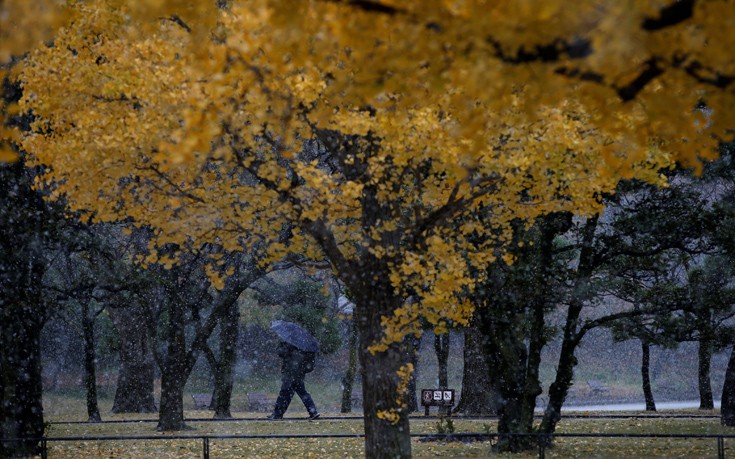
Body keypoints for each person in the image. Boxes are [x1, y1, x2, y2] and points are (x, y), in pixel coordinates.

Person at [267, 340, 320, 420]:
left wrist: (282, 344)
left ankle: (277, 414)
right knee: (302, 393)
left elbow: (281, 353)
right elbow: (308, 364)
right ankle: (313, 412)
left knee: (284, 394)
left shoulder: (290, 343)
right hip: (299, 375)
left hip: (290, 374)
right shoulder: (306, 345)